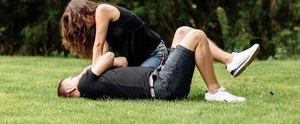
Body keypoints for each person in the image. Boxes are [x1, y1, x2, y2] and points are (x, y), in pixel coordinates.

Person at [57, 26, 260, 102]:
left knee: (182, 32)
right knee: (197, 36)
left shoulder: (95, 83)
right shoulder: (84, 84)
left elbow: (122, 61)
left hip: (161, 77)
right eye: (70, 78)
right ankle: (215, 91)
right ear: (70, 88)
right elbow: (109, 56)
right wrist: (88, 69)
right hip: (162, 86)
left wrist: (97, 67)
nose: (74, 75)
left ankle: (231, 61)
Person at [60, 0, 258, 76]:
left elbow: (98, 46)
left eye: (80, 22)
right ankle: (230, 60)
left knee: (146, 82)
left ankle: (230, 60)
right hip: (140, 61)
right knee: (183, 33)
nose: (84, 26)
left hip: (156, 53)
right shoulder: (99, 28)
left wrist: (91, 74)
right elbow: (102, 59)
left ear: (85, 10)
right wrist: (87, 74)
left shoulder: (102, 11)